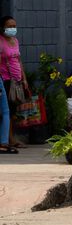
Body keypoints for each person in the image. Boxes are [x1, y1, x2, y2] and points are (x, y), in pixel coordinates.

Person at [0, 14, 24, 153]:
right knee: (6, 111)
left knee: (12, 111)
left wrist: (24, 79)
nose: (12, 28)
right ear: (3, 28)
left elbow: (19, 60)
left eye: (14, 26)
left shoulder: (15, 40)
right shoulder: (1, 42)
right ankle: (7, 140)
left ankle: (8, 139)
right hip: (5, 80)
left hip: (17, 80)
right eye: (9, 26)